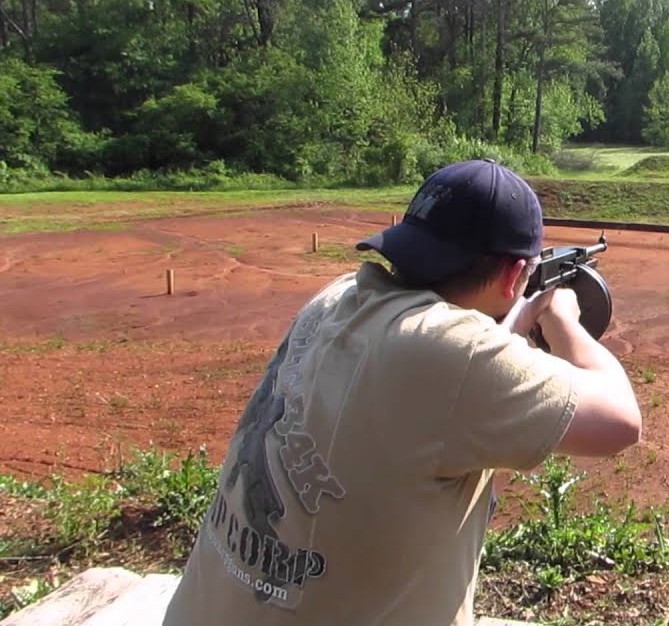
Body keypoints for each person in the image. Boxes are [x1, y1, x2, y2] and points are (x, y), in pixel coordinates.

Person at [161, 158, 643, 626]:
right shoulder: (455, 353)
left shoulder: (335, 298)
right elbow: (622, 421)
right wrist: (564, 321)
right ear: (516, 276)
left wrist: (511, 329)